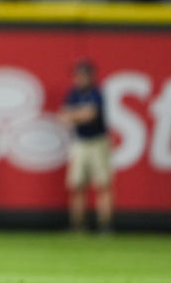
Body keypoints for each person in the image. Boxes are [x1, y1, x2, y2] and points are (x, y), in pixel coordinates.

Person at [58, 59, 113, 231]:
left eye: (85, 74)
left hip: (98, 142)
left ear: (91, 76)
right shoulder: (73, 93)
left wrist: (74, 115)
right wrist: (79, 114)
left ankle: (105, 225)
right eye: (79, 74)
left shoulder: (96, 93)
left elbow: (90, 115)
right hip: (80, 143)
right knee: (76, 185)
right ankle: (77, 225)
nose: (81, 78)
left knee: (103, 185)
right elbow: (62, 116)